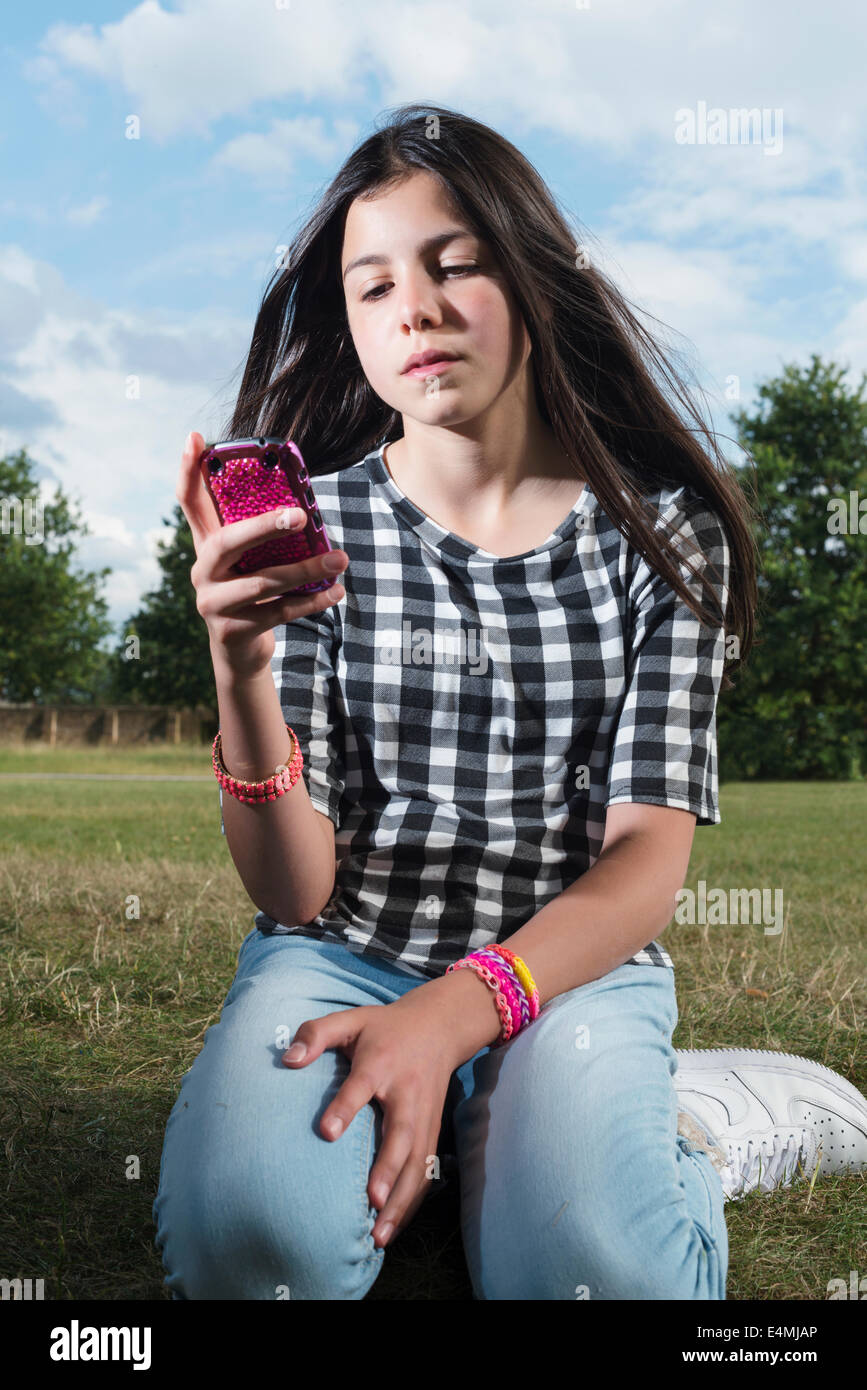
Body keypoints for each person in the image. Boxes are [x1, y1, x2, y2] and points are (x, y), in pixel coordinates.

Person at [153, 104, 867, 1300]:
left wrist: (458, 1012)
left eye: (455, 265)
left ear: (534, 279)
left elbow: (644, 863)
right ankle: (450, 1151)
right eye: (372, 287)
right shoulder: (318, 538)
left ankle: (691, 1127)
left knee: (594, 1276)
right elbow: (294, 891)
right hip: (345, 959)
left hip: (559, 972)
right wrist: (239, 669)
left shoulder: (664, 538)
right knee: (253, 1251)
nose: (414, 310)